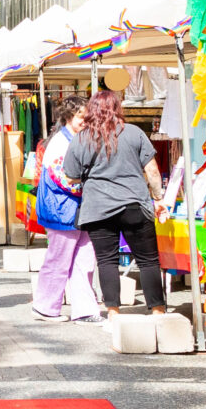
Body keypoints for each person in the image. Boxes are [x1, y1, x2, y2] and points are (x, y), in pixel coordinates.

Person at [59, 87, 170, 319]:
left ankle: (113, 313)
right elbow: (152, 171)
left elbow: (69, 174)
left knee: (107, 260)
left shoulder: (81, 138)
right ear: (118, 108)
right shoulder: (134, 132)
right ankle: (158, 311)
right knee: (148, 259)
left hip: (98, 208)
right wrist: (159, 199)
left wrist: (91, 175)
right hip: (134, 205)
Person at [28, 108, 107, 324]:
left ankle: (85, 310)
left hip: (79, 209)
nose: (85, 122)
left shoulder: (80, 139)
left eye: (88, 118)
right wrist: (90, 186)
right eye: (82, 117)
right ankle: (45, 307)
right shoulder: (59, 143)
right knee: (59, 259)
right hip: (61, 209)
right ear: (70, 117)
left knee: (85, 259)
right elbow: (61, 177)